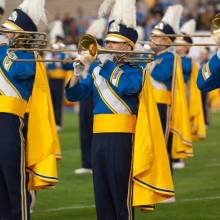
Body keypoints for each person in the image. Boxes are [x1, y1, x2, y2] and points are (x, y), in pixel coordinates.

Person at [65, 0, 145, 218]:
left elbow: (130, 87)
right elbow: (75, 94)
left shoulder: (136, 69)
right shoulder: (98, 69)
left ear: (128, 46)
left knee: (121, 196)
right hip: (98, 138)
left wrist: (106, 64)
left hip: (122, 138)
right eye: (108, 40)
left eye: (115, 42)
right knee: (102, 197)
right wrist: (77, 72)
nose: (108, 44)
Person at [0, 0, 47, 219]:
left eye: (10, 32)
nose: (5, 34)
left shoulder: (29, 57)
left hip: (10, 123)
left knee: (13, 180)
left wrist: (5, 49)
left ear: (22, 35)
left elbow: (18, 71)